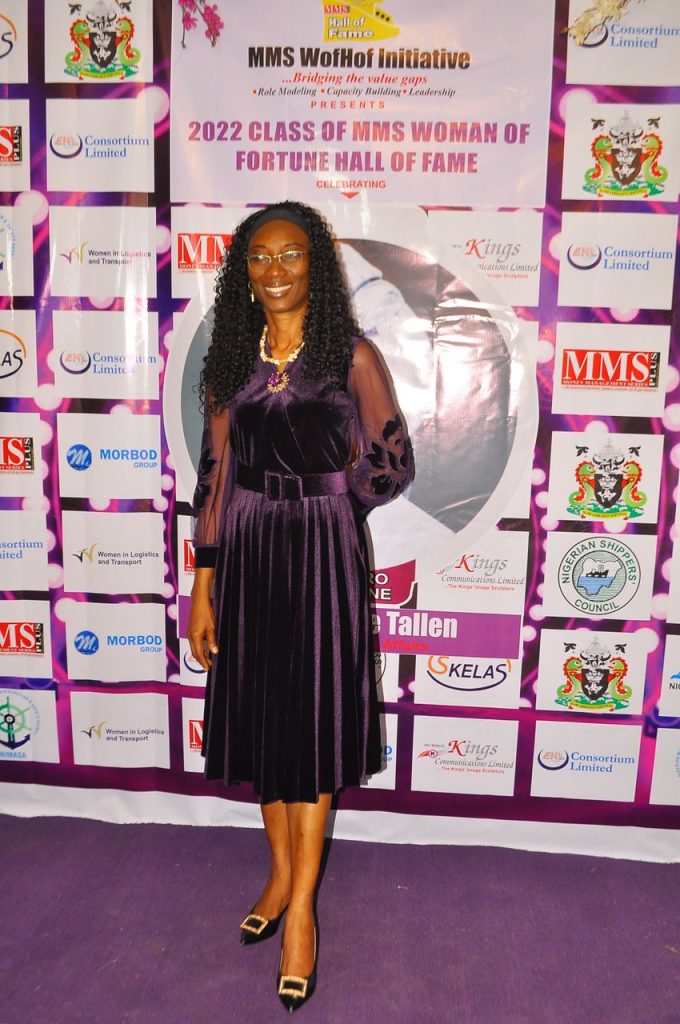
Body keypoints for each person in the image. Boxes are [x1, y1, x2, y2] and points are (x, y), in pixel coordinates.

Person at [188, 201, 414, 1012]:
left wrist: (331, 496)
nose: (274, 269)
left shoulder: (349, 356)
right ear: (242, 272)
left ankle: (303, 916)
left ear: (314, 263)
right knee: (264, 716)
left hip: (322, 549)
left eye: (290, 254)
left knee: (311, 726)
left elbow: (394, 460)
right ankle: (280, 875)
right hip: (247, 549)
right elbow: (214, 475)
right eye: (259, 257)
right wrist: (203, 583)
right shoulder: (230, 361)